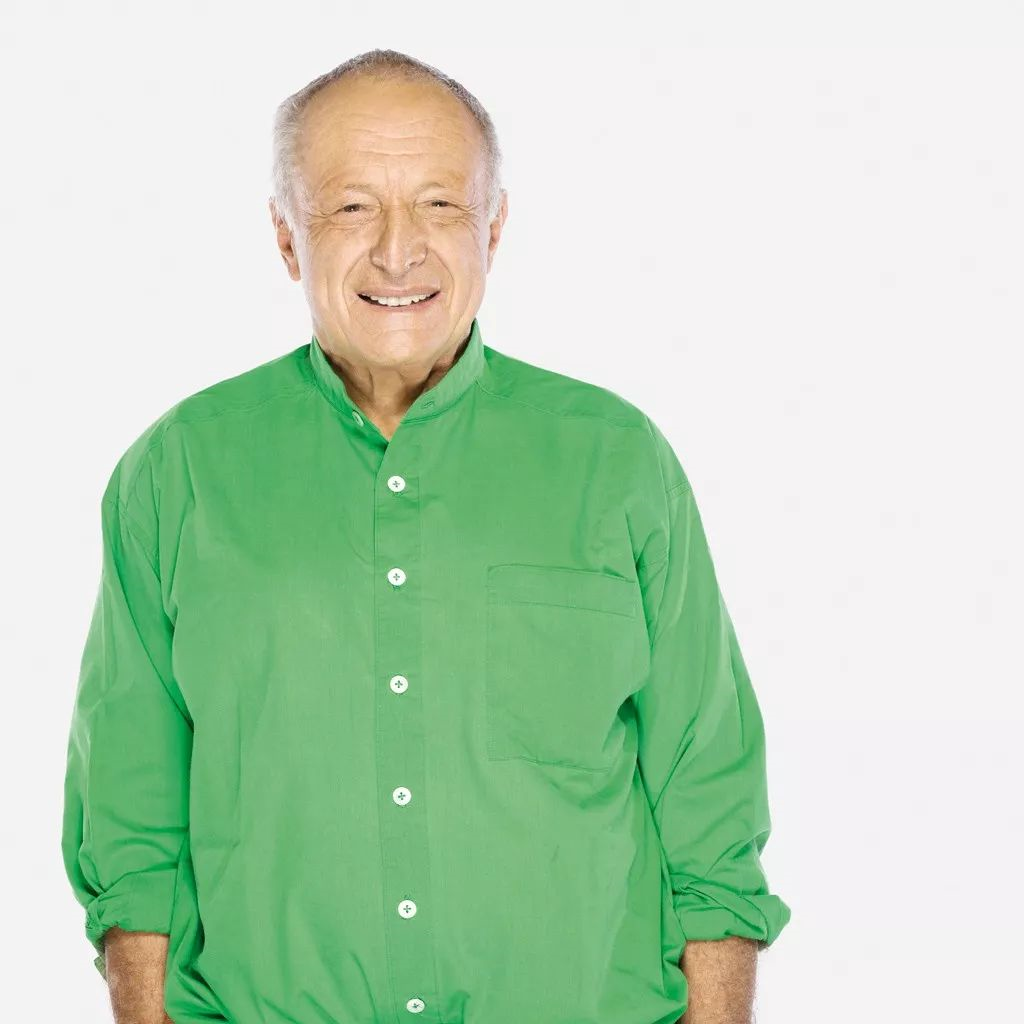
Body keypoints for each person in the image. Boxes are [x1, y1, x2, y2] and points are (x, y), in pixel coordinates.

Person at [61, 47, 791, 1024]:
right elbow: (132, 816)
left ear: (494, 227)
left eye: (440, 205)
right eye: (351, 208)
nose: (397, 251)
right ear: (287, 237)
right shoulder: (176, 473)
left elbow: (709, 801)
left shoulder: (619, 462)